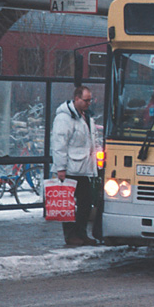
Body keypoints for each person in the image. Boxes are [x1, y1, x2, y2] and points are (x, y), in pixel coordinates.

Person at [51, 86, 101, 247]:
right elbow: (59, 144)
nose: (89, 103)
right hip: (70, 168)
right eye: (86, 100)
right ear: (77, 99)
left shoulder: (86, 117)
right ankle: (71, 235)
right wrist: (61, 168)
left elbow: (92, 140)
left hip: (84, 167)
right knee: (68, 204)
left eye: (90, 100)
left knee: (86, 203)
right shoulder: (64, 118)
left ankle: (81, 233)